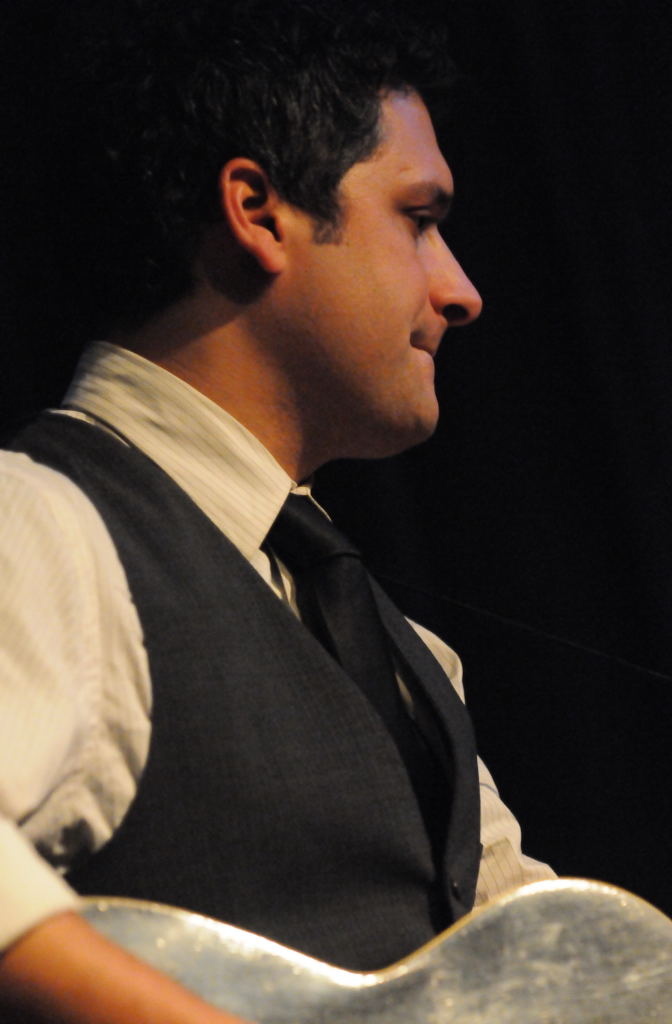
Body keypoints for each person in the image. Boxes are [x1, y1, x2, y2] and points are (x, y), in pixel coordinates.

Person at [0, 0, 555, 1020]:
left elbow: (541, 966)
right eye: (418, 220)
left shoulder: (395, 647)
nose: (461, 290)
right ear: (257, 211)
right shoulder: (40, 525)